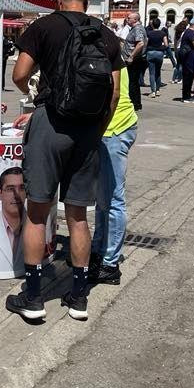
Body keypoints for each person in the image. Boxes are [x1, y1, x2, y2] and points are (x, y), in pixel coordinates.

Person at [6, 0, 124, 322]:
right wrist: (98, 128)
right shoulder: (106, 35)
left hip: (50, 124)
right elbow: (114, 93)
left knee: (39, 212)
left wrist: (34, 92)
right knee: (77, 217)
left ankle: (33, 296)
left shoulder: (43, 27)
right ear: (86, 2)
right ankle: (78, 297)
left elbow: (19, 73)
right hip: (88, 130)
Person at [89, 62, 138, 286]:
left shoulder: (106, 56)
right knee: (103, 197)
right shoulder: (111, 53)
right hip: (114, 128)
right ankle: (99, 251)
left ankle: (110, 263)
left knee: (114, 199)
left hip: (113, 129)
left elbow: (115, 95)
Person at [122, 12, 147, 111]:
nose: (127, 19)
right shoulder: (135, 29)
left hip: (134, 60)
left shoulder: (138, 29)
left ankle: (134, 103)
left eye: (129, 18)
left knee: (132, 82)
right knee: (132, 82)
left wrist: (132, 56)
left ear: (135, 20)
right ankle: (135, 103)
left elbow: (140, 43)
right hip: (133, 59)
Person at [179, 22, 194, 103]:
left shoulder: (187, 32)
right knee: (188, 78)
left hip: (188, 59)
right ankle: (186, 97)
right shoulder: (191, 33)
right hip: (189, 59)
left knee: (188, 77)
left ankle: (186, 96)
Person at [145, 18, 168, 98]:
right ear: (159, 24)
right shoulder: (163, 33)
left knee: (151, 73)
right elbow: (166, 44)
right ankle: (158, 90)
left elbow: (146, 43)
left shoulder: (149, 33)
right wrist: (161, 47)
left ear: (152, 24)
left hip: (150, 53)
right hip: (159, 53)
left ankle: (153, 91)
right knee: (158, 72)